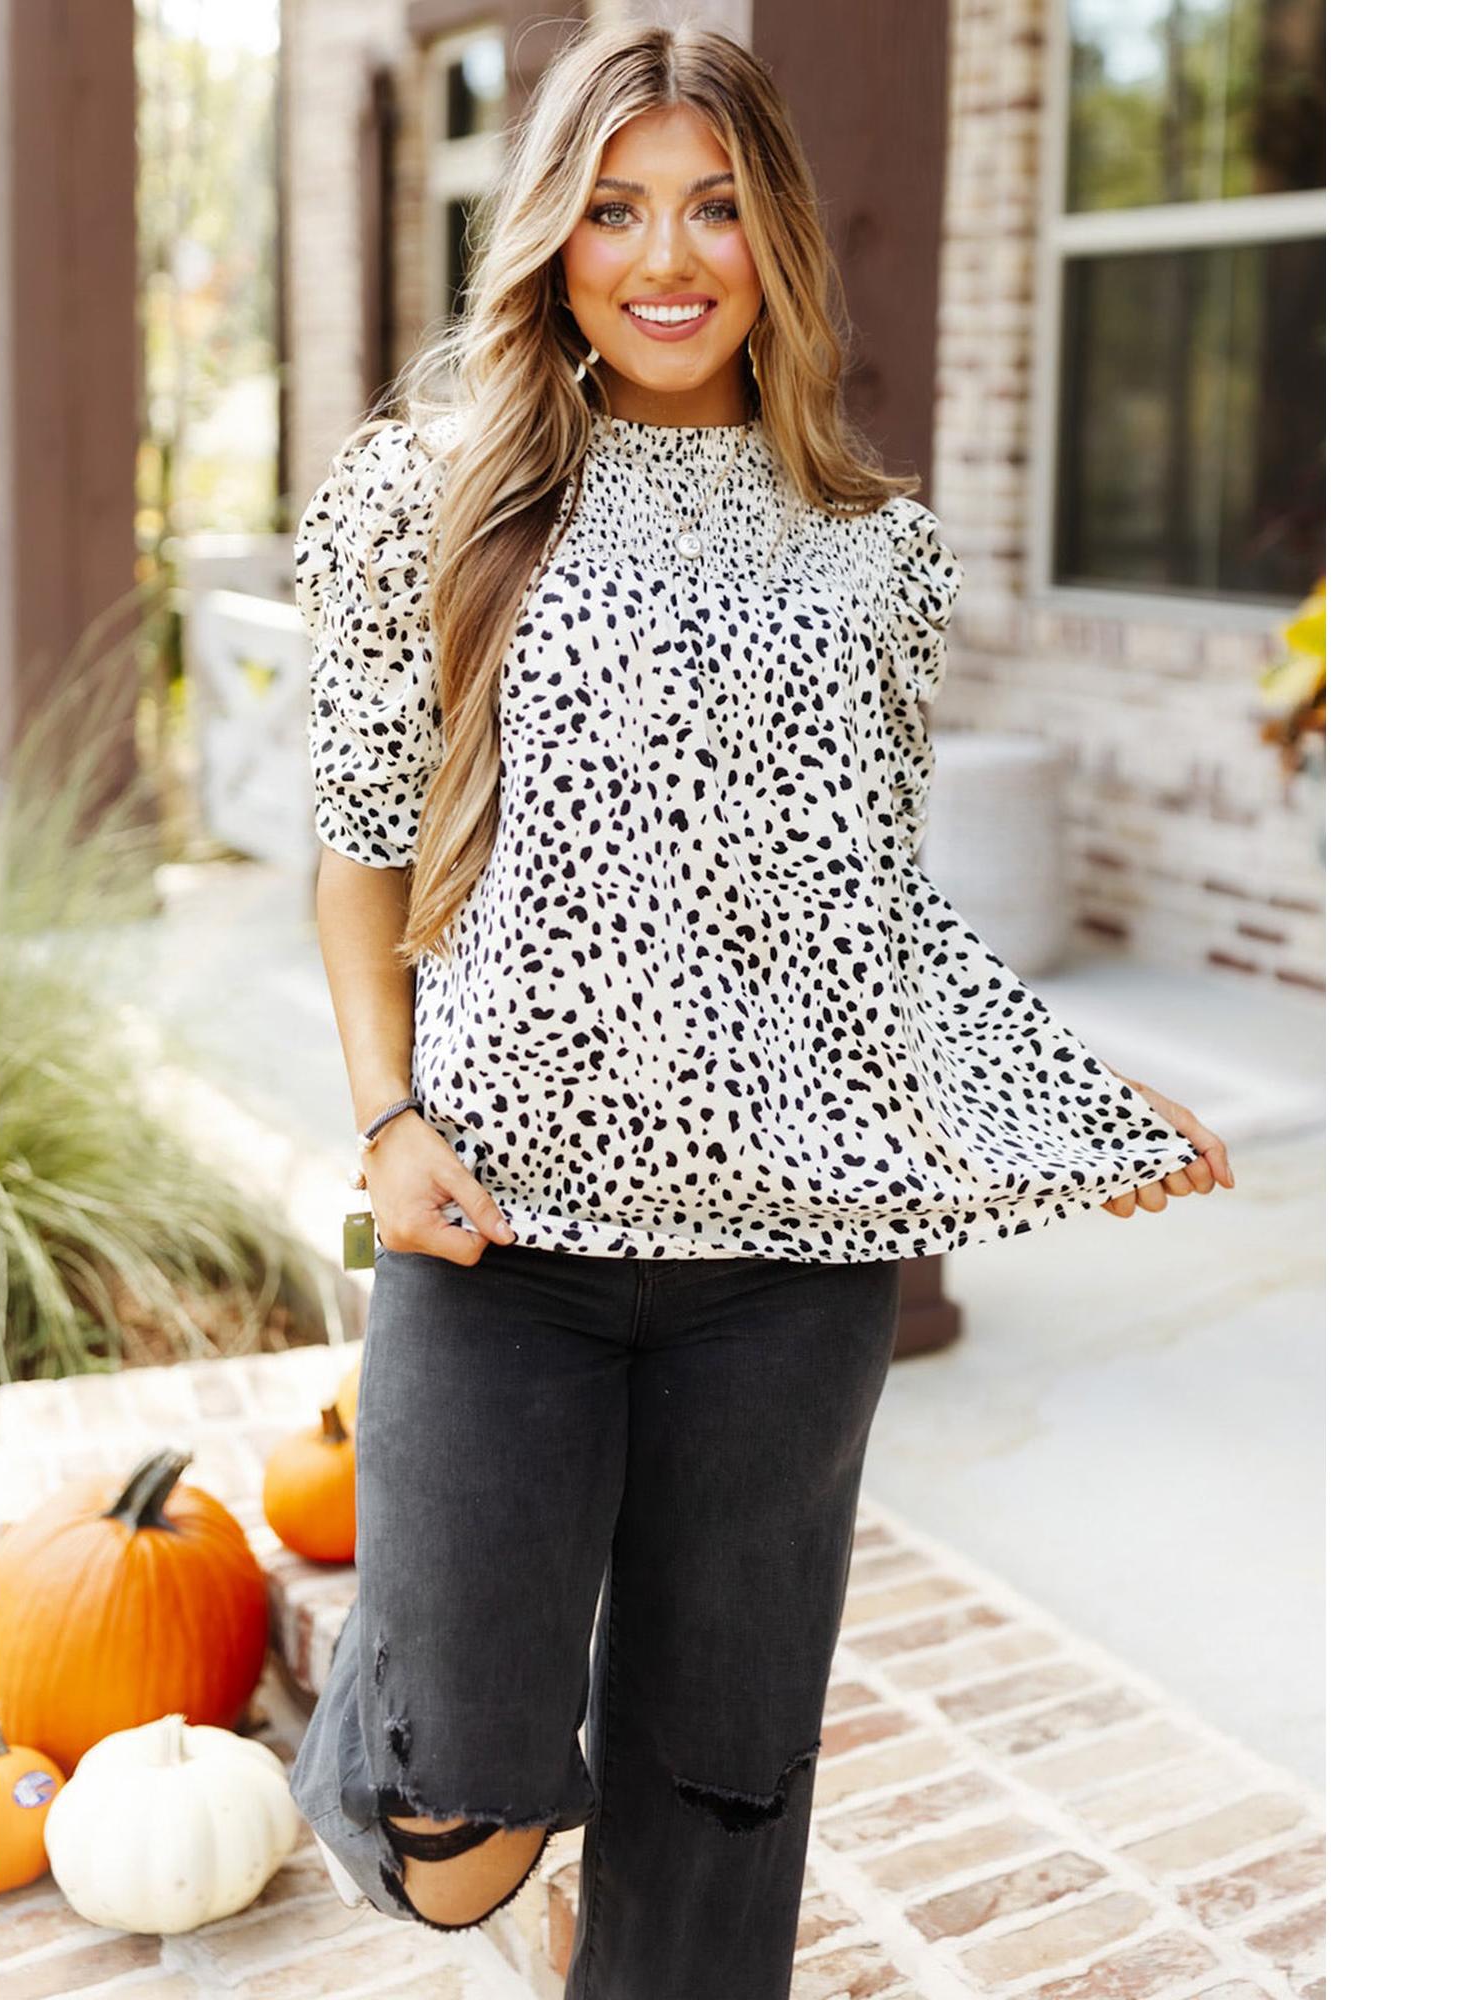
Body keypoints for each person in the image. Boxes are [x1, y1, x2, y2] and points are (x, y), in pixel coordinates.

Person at [286, 20, 1234, 1999]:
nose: (665, 258)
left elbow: (872, 921)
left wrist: (1073, 1096)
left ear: (776, 236)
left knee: (717, 1820)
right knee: (456, 1827)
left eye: (713, 208)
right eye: (613, 209)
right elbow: (362, 842)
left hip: (787, 1278)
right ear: (551, 238)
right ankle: (430, 1695)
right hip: (499, 1240)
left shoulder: (871, 553)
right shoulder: (427, 498)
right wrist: (387, 1122)